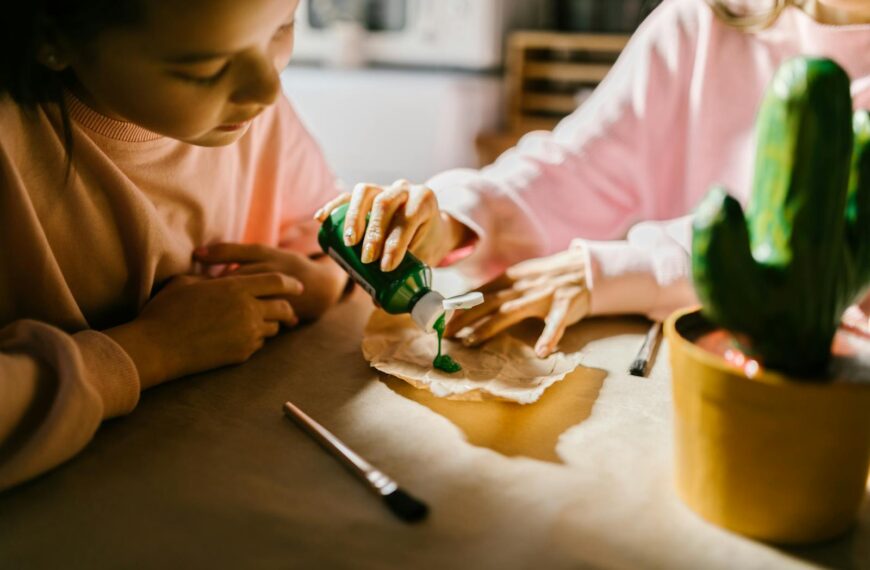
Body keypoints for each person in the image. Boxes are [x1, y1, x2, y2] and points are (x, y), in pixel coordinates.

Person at [317, 0, 870, 357]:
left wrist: (616, 270)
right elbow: (576, 166)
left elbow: (816, 256)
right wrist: (458, 218)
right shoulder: (699, 22)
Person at [0, 0, 350, 491]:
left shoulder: (248, 113)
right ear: (54, 43)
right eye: (205, 68)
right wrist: (155, 349)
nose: (268, 90)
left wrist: (321, 277)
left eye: (283, 26)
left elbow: (316, 226)